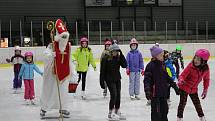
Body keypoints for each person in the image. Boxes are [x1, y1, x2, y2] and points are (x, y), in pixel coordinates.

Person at [40, 19, 75, 117]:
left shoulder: (68, 46)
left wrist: (72, 72)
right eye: (62, 37)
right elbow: (45, 56)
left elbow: (69, 59)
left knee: (63, 92)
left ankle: (63, 108)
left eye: (65, 37)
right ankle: (44, 108)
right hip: (52, 74)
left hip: (64, 74)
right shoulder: (52, 45)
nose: (64, 39)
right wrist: (52, 55)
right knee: (49, 90)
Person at [144, 46, 179, 121]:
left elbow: (167, 77)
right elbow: (147, 80)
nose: (163, 56)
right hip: (155, 95)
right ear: (155, 56)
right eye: (161, 55)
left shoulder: (162, 65)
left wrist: (174, 86)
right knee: (156, 114)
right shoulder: (150, 66)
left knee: (164, 111)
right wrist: (147, 90)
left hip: (163, 94)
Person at [177, 49, 210, 121]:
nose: (195, 60)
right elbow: (182, 75)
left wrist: (205, 89)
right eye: (195, 58)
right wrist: (181, 80)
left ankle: (202, 117)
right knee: (182, 103)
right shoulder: (190, 66)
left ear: (204, 61)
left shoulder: (206, 69)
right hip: (184, 87)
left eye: (198, 59)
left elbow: (206, 79)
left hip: (194, 89)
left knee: (197, 103)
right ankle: (179, 118)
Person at [100, 42, 127, 120]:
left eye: (117, 51)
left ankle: (117, 110)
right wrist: (101, 82)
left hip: (117, 79)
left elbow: (125, 65)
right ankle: (110, 112)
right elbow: (102, 71)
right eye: (114, 51)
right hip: (109, 79)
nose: (116, 53)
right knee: (114, 95)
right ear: (111, 51)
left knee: (118, 95)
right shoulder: (106, 58)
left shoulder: (118, 58)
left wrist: (121, 54)